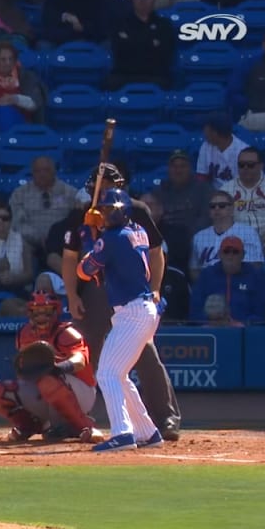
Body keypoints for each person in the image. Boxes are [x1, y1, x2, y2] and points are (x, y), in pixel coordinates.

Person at [61, 164, 181, 442]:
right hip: (100, 292)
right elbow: (69, 258)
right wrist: (72, 294)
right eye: (100, 190)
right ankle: (77, 419)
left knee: (133, 360)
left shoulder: (133, 213)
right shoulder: (83, 216)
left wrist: (155, 288)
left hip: (130, 296)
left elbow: (155, 252)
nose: (106, 198)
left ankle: (159, 420)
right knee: (90, 352)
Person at [76, 188, 165, 451]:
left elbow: (84, 271)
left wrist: (89, 238)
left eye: (109, 210)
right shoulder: (137, 230)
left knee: (106, 373)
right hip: (140, 310)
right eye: (104, 210)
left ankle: (122, 433)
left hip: (133, 312)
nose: (105, 214)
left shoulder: (112, 239)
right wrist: (98, 233)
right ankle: (147, 432)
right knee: (120, 375)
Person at [0, 291, 104, 443]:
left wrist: (58, 367)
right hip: (44, 389)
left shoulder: (67, 333)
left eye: (46, 311)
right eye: (37, 311)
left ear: (56, 312)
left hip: (81, 390)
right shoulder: (25, 334)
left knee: (48, 380)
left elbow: (80, 360)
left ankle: (85, 427)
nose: (41, 316)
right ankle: (28, 426)